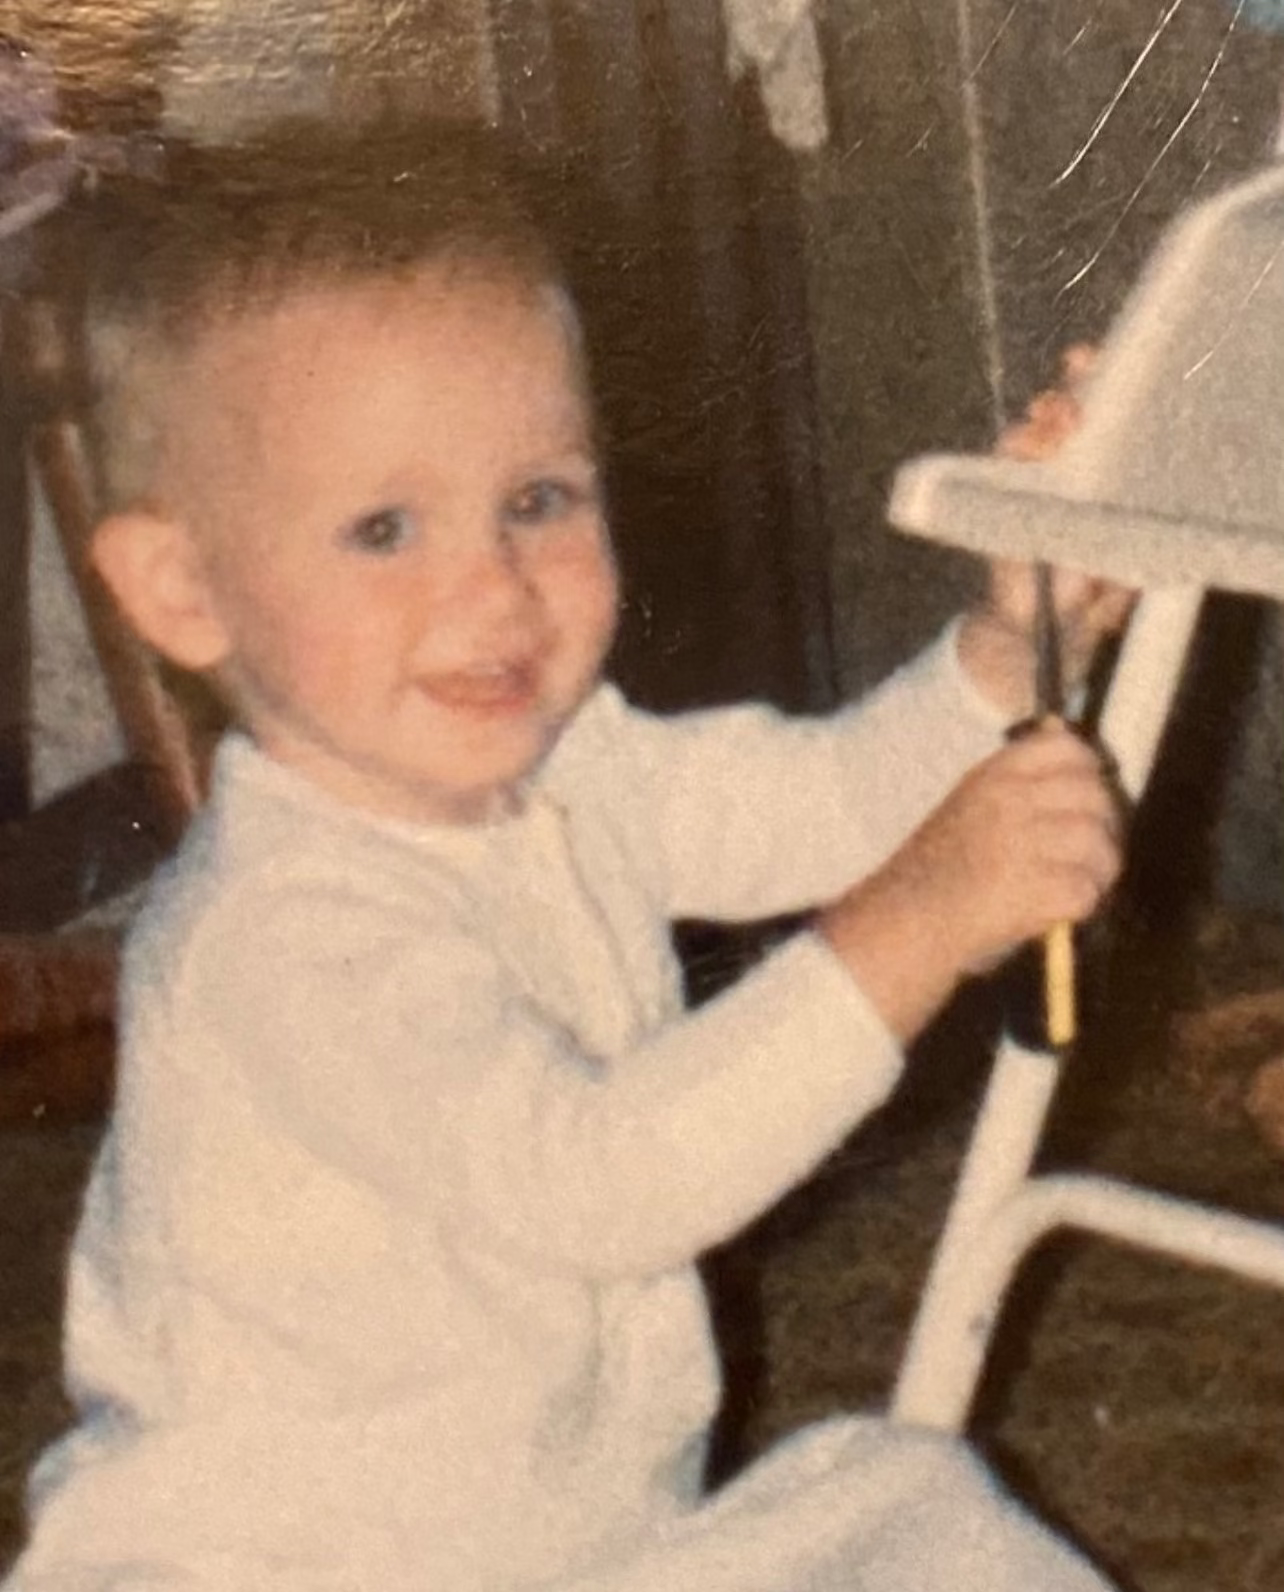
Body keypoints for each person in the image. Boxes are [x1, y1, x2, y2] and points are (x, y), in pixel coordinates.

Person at [8, 122, 1127, 1591]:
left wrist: (997, 653)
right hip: (274, 1573)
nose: (493, 589)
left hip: (571, 1546)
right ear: (181, 588)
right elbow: (600, 1185)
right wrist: (914, 926)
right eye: (385, 528)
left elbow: (831, 800)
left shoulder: (569, 768)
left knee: (905, 1505)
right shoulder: (280, 933)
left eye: (538, 500)